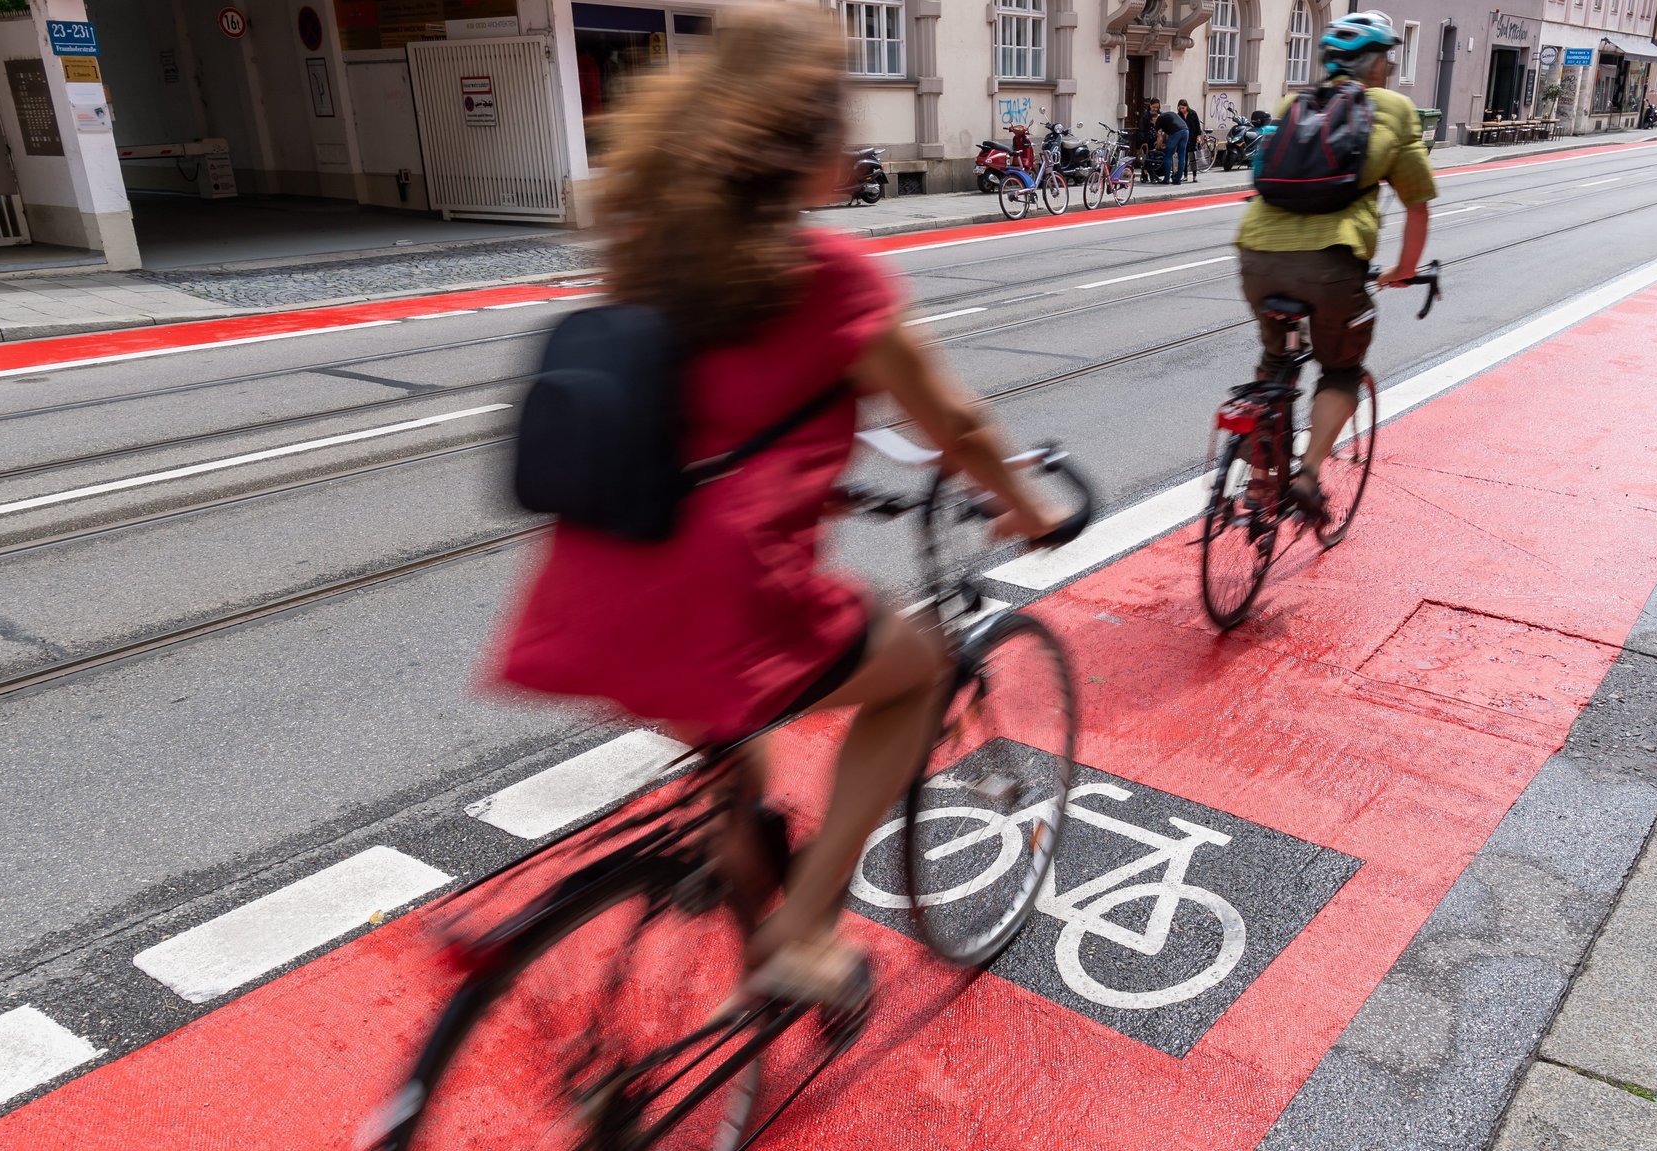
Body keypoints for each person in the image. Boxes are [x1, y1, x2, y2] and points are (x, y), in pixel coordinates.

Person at [494, 3, 1057, 1006]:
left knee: (730, 739)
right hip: (722, 599)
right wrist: (1026, 504)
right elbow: (956, 426)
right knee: (917, 676)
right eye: (840, 120)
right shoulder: (832, 278)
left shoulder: (650, 256)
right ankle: (797, 932)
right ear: (802, 151)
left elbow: (707, 413)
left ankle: (743, 886)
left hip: (587, 584)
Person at [1234, 10, 1435, 520]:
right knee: (1342, 368)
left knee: (1275, 361)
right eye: (1386, 59)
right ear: (1373, 64)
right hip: (1333, 261)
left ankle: (1258, 481)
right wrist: (1402, 270)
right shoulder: (1395, 109)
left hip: (1257, 253)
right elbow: (1416, 204)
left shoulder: (1292, 102)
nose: (1388, 68)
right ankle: (1305, 477)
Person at [1155, 98, 1189, 184]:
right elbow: (1166, 133)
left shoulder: (1158, 121)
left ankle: (1166, 179)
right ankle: (1177, 179)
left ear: (1155, 118)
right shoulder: (1169, 115)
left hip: (1176, 132)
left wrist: (1159, 147)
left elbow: (1159, 137)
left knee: (1168, 155)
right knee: (1182, 155)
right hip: (1185, 130)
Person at [1177, 98, 1205, 179]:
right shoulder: (1179, 115)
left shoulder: (1193, 113)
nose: (1182, 110)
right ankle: (1185, 175)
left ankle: (1194, 175)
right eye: (1180, 108)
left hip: (1192, 137)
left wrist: (1198, 136)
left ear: (1187, 107)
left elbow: (1197, 126)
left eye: (1183, 108)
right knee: (1184, 157)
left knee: (1193, 157)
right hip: (1183, 138)